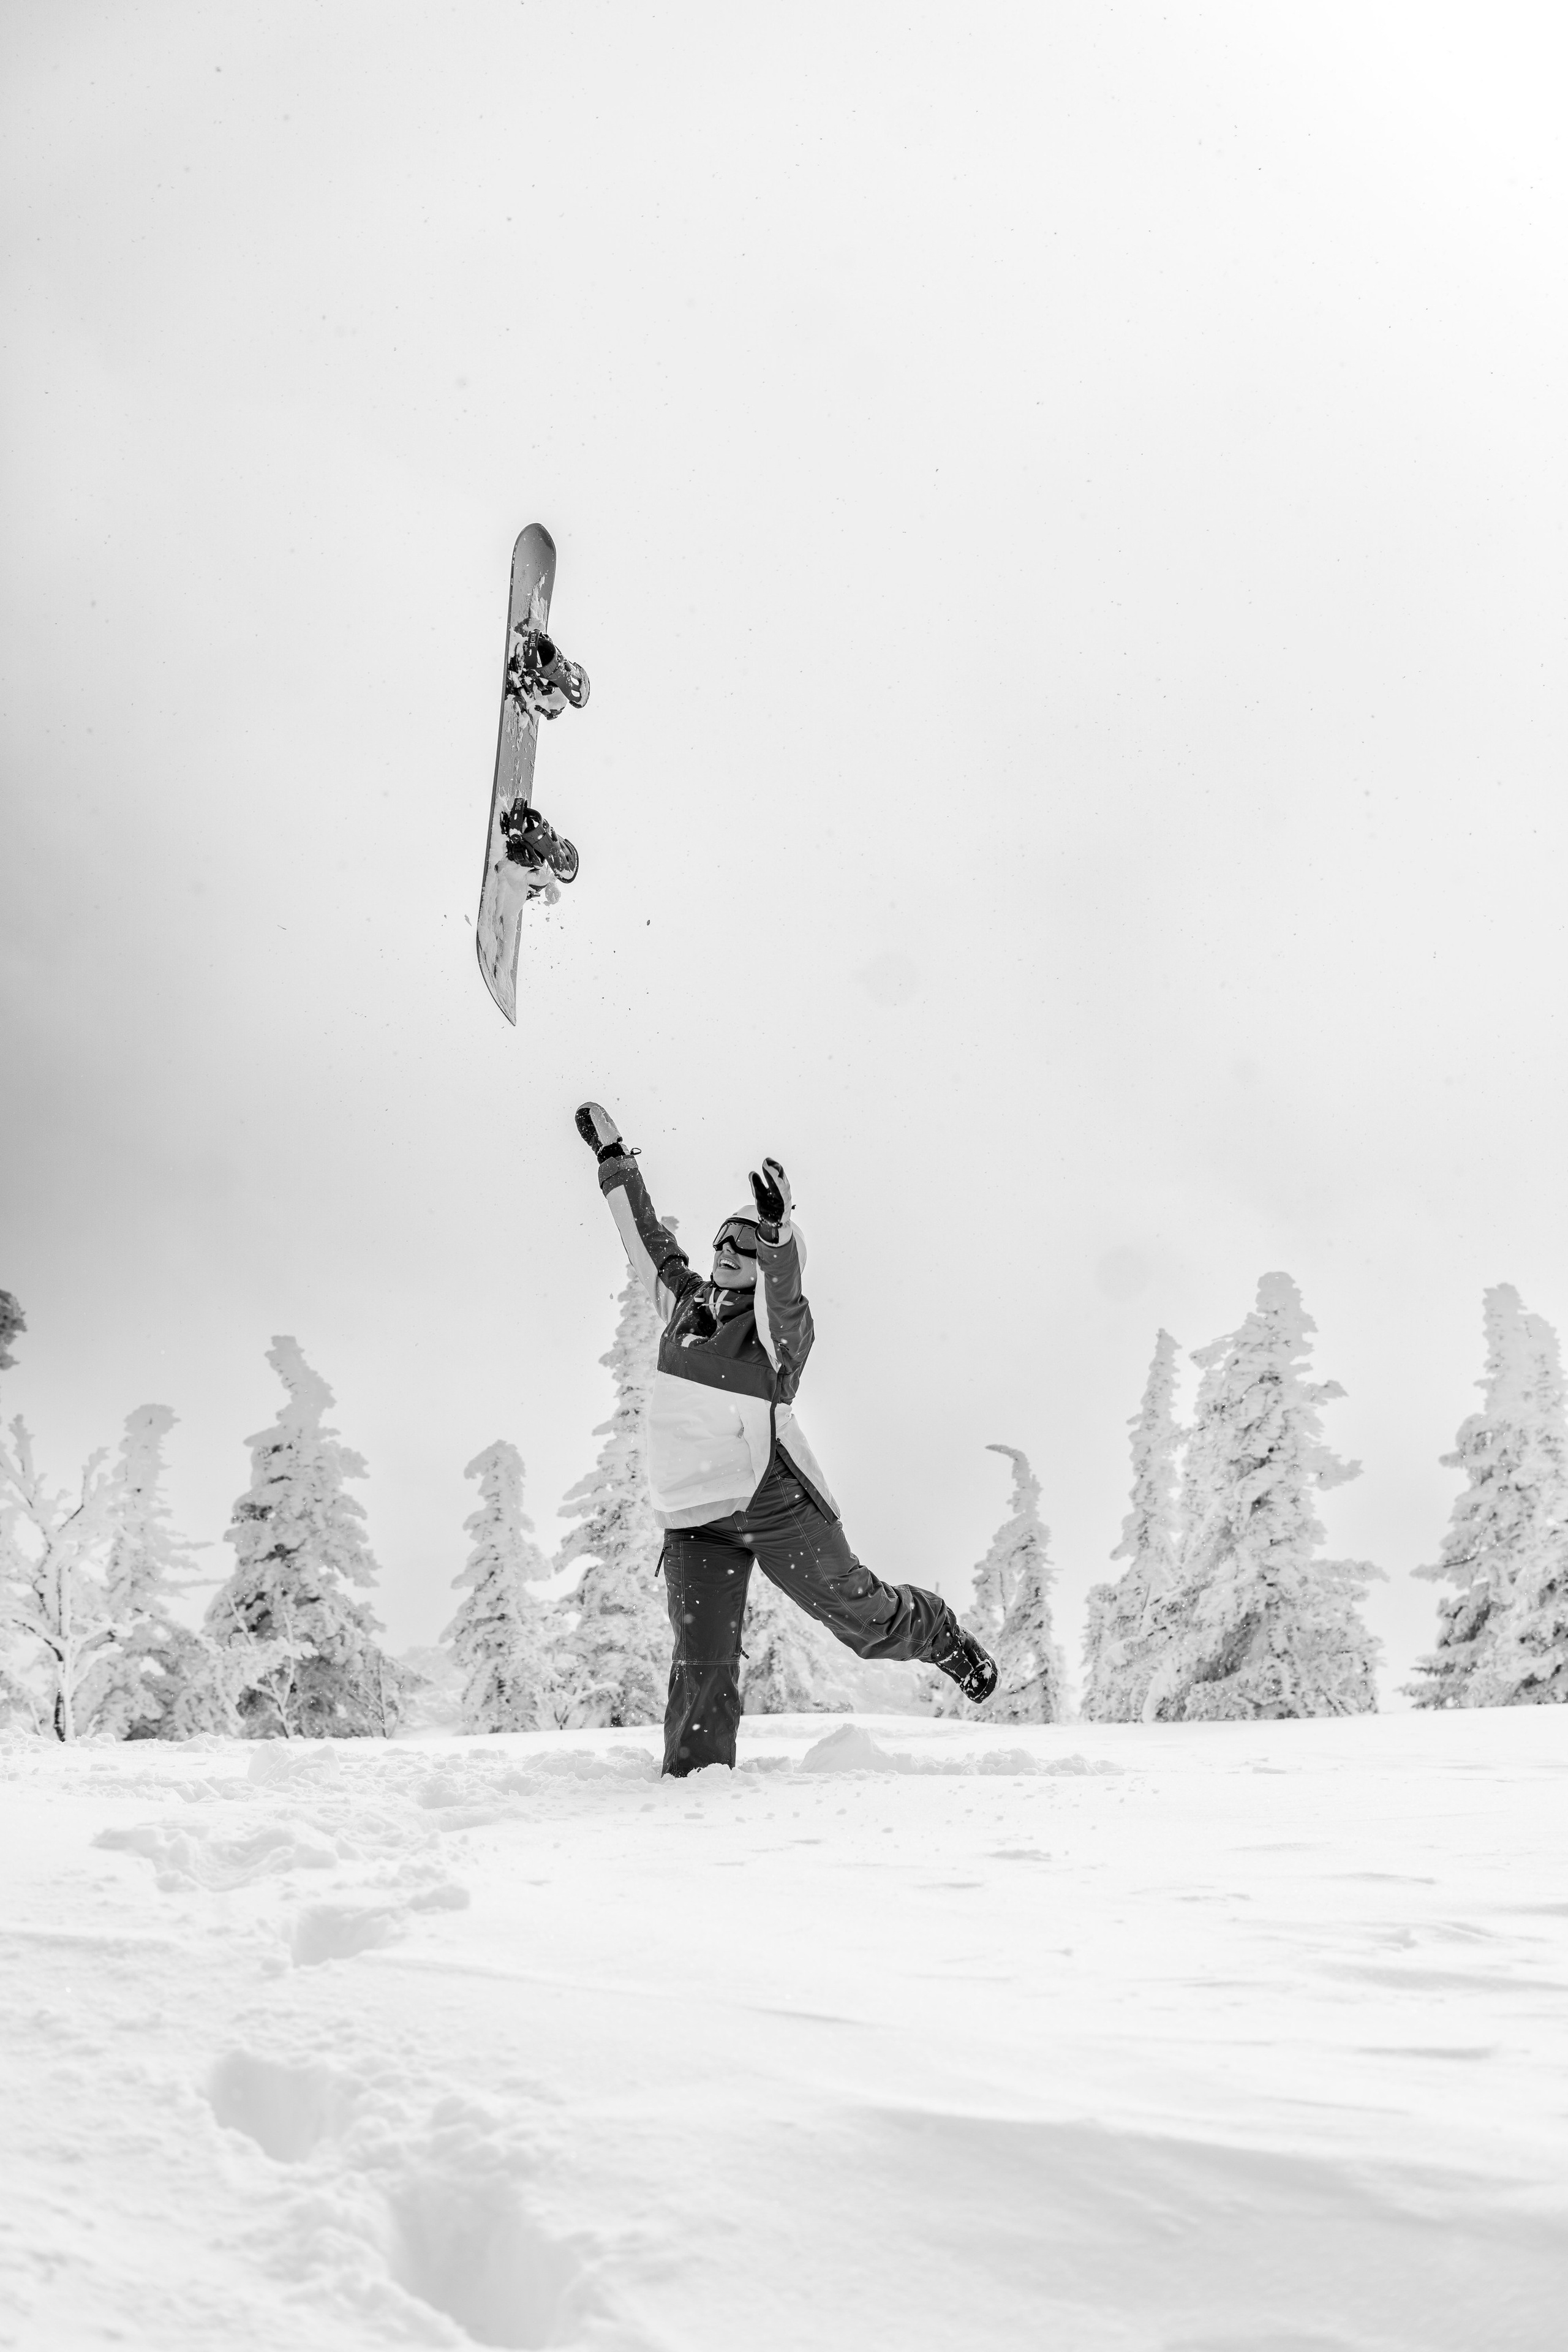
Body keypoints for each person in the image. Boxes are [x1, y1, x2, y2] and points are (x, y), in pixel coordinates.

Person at [574, 1101, 998, 1775]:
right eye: (721, 1242)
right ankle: (696, 1787)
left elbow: (786, 1296)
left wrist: (776, 1233)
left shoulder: (773, 1338)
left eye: (742, 1246)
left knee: (860, 1619)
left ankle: (939, 1634)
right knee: (702, 1661)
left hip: (773, 1503)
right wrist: (615, 1161)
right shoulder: (682, 1305)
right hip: (694, 1517)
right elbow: (646, 1241)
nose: (724, 1251)